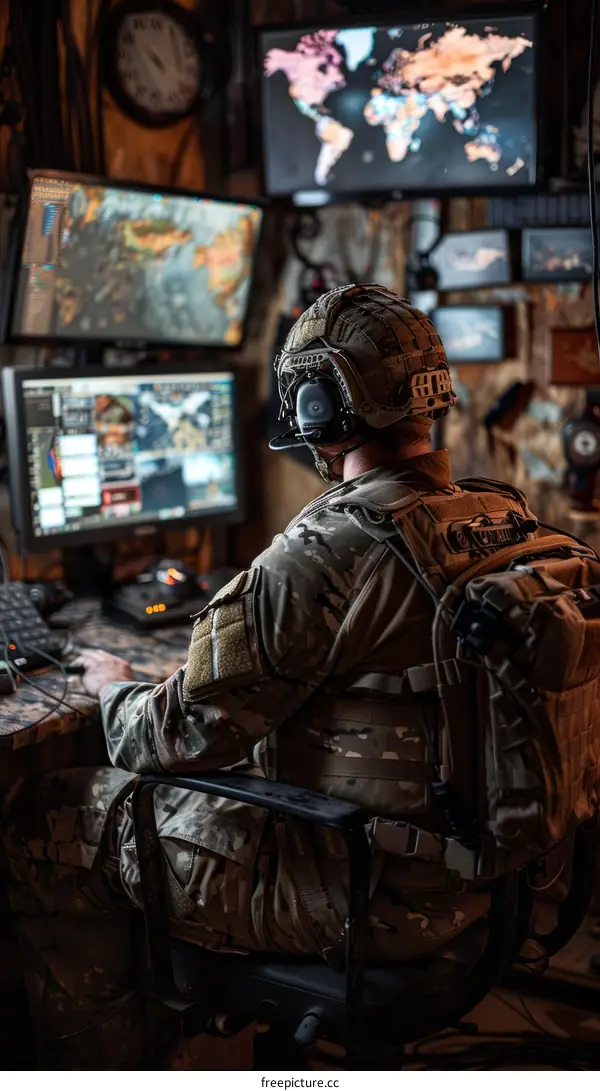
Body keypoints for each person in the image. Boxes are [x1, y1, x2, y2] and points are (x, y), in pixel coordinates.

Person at [2, 284, 539, 1069]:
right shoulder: (500, 516)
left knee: (45, 815)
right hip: (478, 881)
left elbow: (169, 737)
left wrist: (114, 684)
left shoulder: (326, 551)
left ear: (319, 408)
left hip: (361, 893)